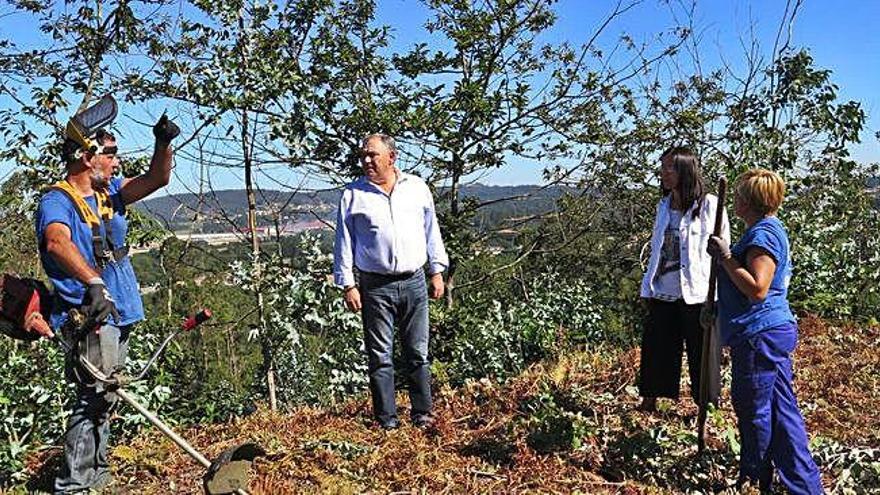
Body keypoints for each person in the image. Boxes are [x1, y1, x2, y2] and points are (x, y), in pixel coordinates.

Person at [36, 112, 179, 493]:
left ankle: (97, 474)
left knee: (108, 393)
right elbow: (56, 242)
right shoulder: (57, 200)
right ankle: (74, 485)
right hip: (90, 311)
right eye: (111, 153)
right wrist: (94, 282)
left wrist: (163, 143)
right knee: (94, 395)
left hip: (121, 305)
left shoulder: (109, 191)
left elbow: (157, 178)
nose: (117, 162)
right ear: (87, 157)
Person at [707, 169, 823, 493]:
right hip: (766, 332)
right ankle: (804, 485)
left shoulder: (764, 234)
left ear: (751, 201)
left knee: (753, 409)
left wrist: (727, 256)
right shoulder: (765, 230)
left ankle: (755, 480)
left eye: (740, 196)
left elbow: (757, 288)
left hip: (760, 335)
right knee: (782, 413)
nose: (736, 201)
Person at [333, 133, 449, 430]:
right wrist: (348, 284)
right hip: (375, 286)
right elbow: (343, 243)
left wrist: (437, 271)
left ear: (391, 158)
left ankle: (423, 414)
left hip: (414, 282)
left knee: (417, 352)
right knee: (380, 356)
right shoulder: (353, 195)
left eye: (373, 155)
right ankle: (387, 421)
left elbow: (431, 231)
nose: (367, 160)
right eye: (364, 155)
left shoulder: (417, 188)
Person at [638, 146, 729, 412]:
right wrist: (647, 288)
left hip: (699, 291)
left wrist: (720, 293)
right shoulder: (663, 206)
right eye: (663, 167)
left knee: (702, 353)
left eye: (671, 167)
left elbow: (723, 248)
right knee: (657, 347)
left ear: (686, 171)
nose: (664, 173)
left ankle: (707, 407)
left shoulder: (711, 205)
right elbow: (657, 249)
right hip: (663, 290)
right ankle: (651, 399)